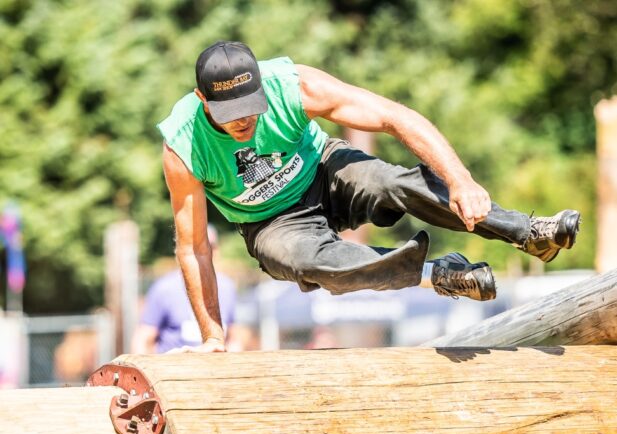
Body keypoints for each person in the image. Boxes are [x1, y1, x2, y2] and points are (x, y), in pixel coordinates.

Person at [157, 40, 580, 353]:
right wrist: (213, 335)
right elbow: (194, 248)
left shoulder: (295, 86)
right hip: (270, 222)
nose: (244, 121)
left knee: (392, 182)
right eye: (231, 115)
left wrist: (460, 179)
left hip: (323, 168)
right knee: (316, 265)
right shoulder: (184, 146)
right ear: (202, 100)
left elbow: (394, 117)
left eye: (251, 107)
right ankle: (440, 274)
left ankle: (529, 232)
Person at [131, 225, 238, 353]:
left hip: (215, 369)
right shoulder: (164, 288)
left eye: (210, 246)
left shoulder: (227, 287)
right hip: (173, 369)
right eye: (195, 247)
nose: (203, 253)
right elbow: (143, 340)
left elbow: (234, 339)